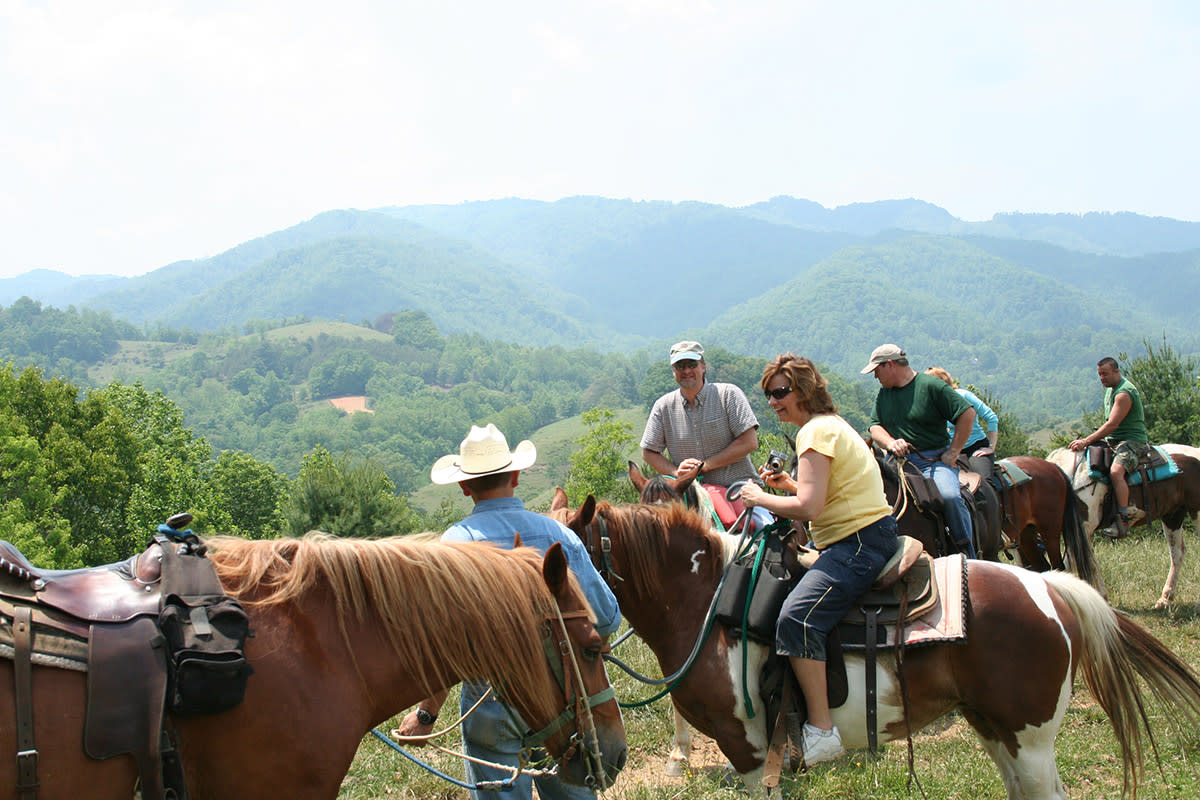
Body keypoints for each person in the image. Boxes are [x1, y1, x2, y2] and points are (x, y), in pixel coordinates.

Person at [396, 423, 621, 800]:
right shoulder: (558, 535)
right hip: (564, 700)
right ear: (516, 476)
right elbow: (606, 616)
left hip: (491, 705)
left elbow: (443, 650)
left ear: (464, 486)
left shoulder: (454, 547)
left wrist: (426, 716)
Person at [738, 354, 898, 765]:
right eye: (768, 394)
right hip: (860, 537)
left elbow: (809, 508)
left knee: (797, 618)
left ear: (803, 390)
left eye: (779, 392)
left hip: (856, 544)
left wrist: (758, 497)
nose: (772, 402)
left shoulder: (814, 433)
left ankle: (823, 730)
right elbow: (823, 495)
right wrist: (788, 485)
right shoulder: (830, 427)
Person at [863, 344, 978, 559]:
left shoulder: (932, 386)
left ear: (890, 365)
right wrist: (890, 443)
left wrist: (953, 452)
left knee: (950, 496)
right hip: (895, 463)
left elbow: (967, 414)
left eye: (877, 371)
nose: (875, 377)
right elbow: (875, 426)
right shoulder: (884, 393)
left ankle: (967, 552)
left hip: (932, 461)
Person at [640, 340, 772, 526]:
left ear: (703, 367)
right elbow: (648, 452)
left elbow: (749, 442)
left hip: (741, 490)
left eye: (691, 364)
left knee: (768, 533)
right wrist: (677, 473)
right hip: (690, 499)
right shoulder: (663, 407)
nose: (686, 371)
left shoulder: (729, 395)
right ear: (673, 371)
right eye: (680, 366)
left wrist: (705, 466)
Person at [1068, 356, 1150, 539]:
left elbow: (1112, 425)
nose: (1102, 378)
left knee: (1115, 472)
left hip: (1132, 441)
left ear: (1116, 371)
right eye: (1099, 374)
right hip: (1114, 441)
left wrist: (1086, 441)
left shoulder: (1124, 393)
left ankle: (1123, 520)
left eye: (1105, 374)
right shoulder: (1110, 391)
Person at [924, 367, 999, 478]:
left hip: (974, 449)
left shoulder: (963, 396)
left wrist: (991, 447)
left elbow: (991, 417)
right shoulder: (931, 404)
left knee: (983, 482)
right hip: (946, 452)